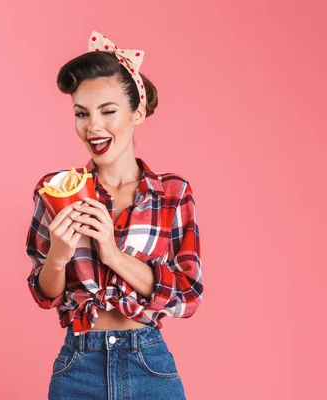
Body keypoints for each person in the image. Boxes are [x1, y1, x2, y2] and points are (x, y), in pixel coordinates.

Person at [25, 30, 203, 399]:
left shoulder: (171, 194)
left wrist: (111, 253)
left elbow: (188, 296)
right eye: (82, 113)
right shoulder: (56, 190)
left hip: (148, 362)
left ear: (137, 113)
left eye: (108, 111)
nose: (93, 126)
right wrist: (58, 255)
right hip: (78, 364)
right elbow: (46, 296)